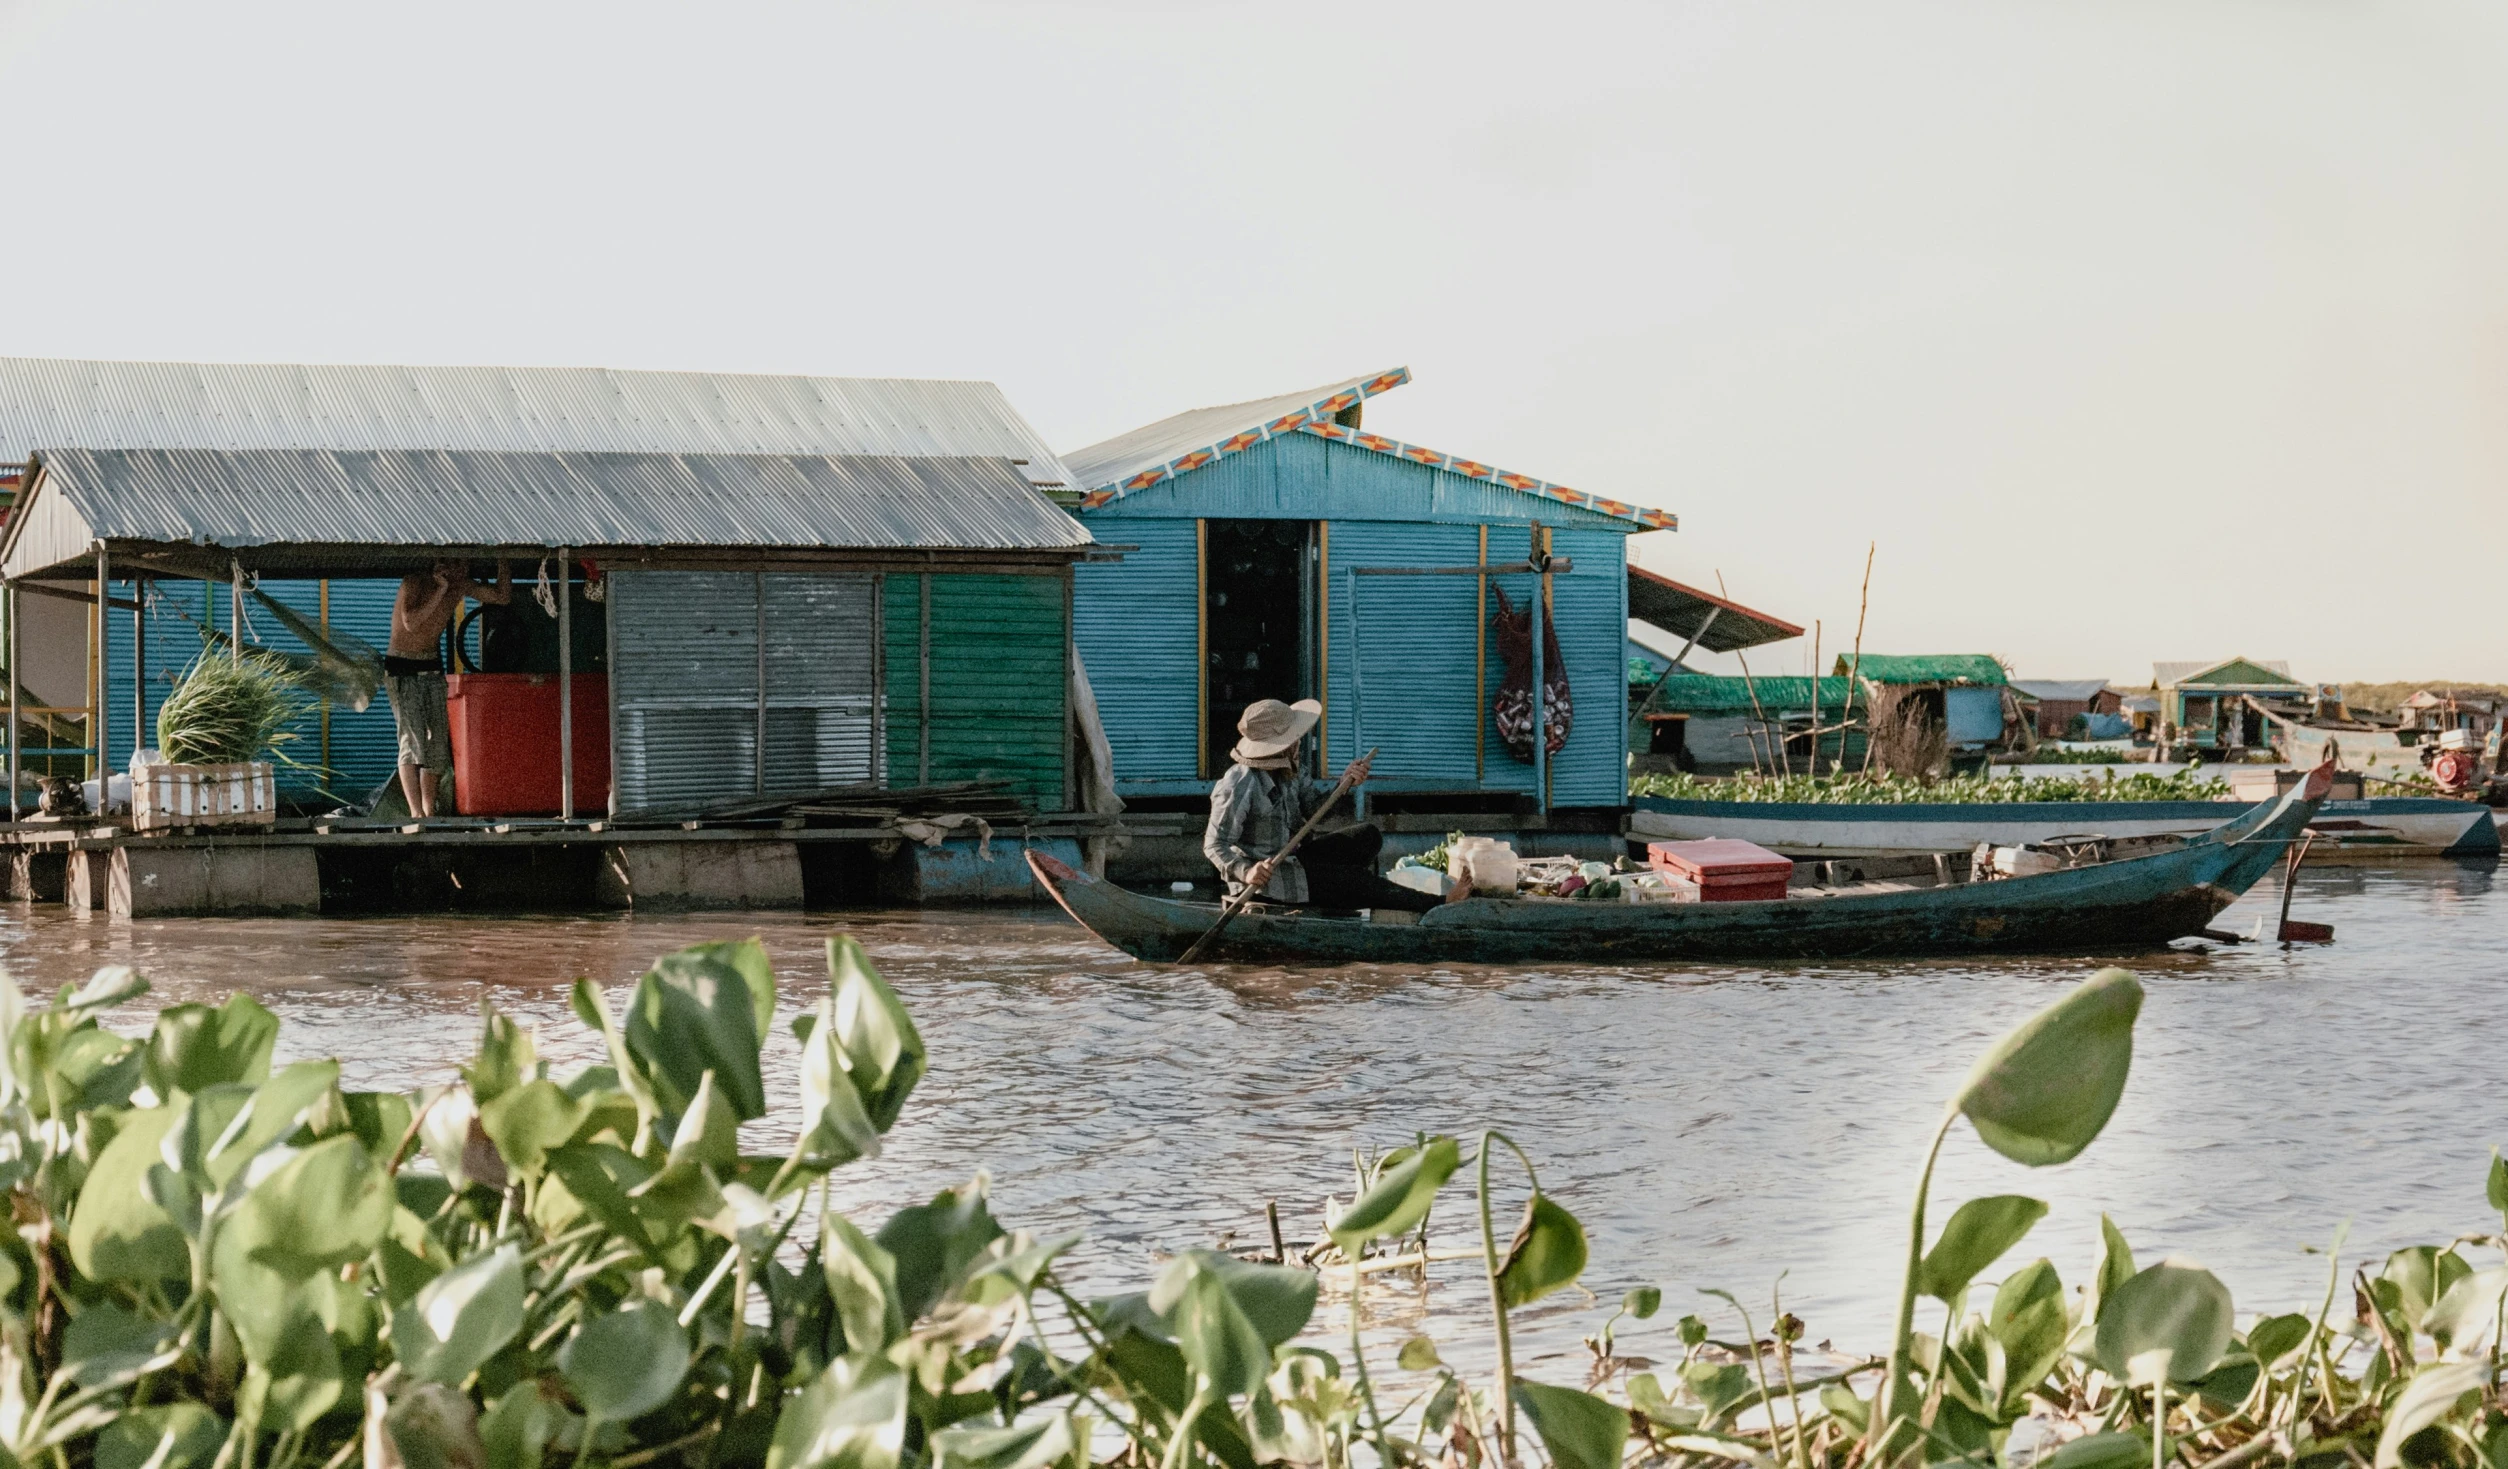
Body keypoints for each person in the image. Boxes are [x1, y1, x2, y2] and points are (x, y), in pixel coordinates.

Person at [1202, 698, 1443, 914]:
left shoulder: (1291, 768)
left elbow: (1315, 810)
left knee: (1367, 836)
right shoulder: (1240, 783)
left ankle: (1333, 891)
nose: (1298, 741)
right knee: (1354, 880)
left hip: (1298, 860)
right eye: (1293, 738)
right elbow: (1214, 845)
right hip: (1270, 881)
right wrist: (1247, 871)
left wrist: (1344, 783)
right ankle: (1437, 903)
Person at [386, 558, 511, 817]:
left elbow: (501, 597)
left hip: (432, 668)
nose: (461, 571)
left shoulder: (460, 584)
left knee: (439, 745)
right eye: (455, 564)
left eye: (465, 565)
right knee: (413, 741)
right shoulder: (415, 582)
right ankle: (415, 812)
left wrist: (503, 560)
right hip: (403, 668)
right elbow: (411, 622)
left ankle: (429, 810)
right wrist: (441, 589)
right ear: (438, 564)